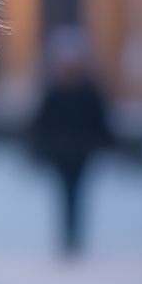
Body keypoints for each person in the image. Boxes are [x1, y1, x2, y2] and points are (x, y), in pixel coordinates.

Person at [25, 25, 115, 258]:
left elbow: (100, 121)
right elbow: (42, 123)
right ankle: (68, 237)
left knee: (78, 193)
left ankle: (74, 237)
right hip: (61, 154)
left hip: (81, 154)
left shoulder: (89, 92)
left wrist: (101, 143)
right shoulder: (55, 93)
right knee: (66, 193)